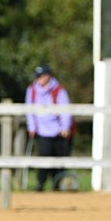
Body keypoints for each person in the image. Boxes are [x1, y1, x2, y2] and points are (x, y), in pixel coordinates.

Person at [25, 64, 73, 192]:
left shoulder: (59, 90)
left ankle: (58, 185)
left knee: (59, 159)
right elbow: (29, 110)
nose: (38, 79)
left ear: (48, 76)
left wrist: (65, 127)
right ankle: (40, 184)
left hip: (58, 131)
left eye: (40, 76)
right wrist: (32, 127)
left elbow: (65, 110)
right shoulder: (32, 90)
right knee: (44, 157)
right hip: (41, 131)